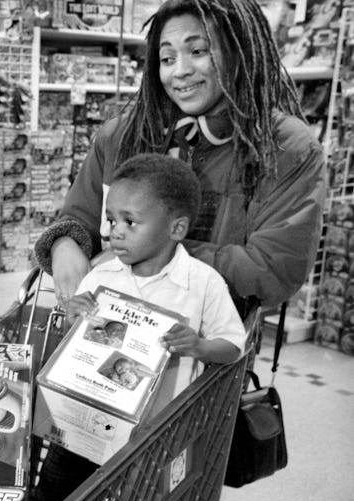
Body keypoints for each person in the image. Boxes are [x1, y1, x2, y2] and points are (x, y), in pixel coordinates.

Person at [33, 0, 325, 322]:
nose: (180, 71)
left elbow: (273, 269)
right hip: (107, 331)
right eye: (167, 58)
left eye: (198, 51)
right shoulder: (123, 136)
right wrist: (64, 244)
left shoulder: (285, 148)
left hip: (207, 348)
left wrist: (155, 256)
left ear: (239, 50)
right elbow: (79, 215)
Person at [32, 153, 247, 501]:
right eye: (112, 219)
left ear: (176, 228)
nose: (115, 231)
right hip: (82, 421)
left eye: (130, 222)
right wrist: (75, 317)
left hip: (151, 434)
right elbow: (78, 343)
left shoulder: (202, 283)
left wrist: (198, 345)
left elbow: (233, 346)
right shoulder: (101, 276)